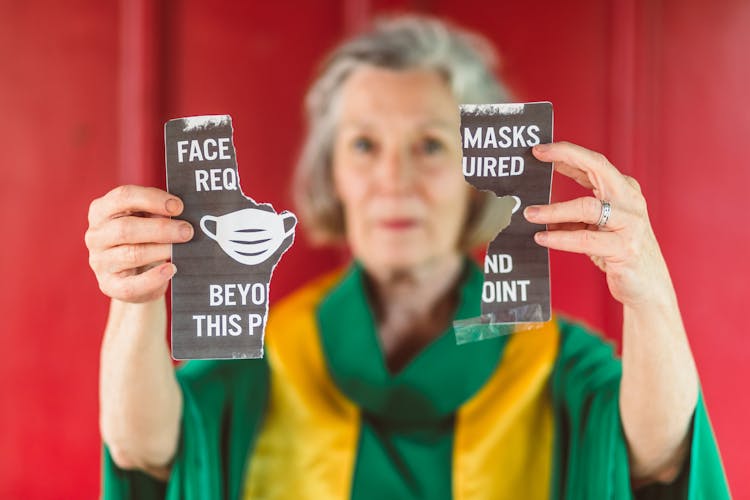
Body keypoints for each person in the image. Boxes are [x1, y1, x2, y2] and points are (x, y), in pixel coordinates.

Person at [85, 15, 729, 499]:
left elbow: (660, 455)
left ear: (483, 171)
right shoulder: (267, 356)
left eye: (429, 146)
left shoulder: (557, 363)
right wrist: (134, 301)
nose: (393, 177)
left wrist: (650, 295)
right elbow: (145, 448)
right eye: (364, 145)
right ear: (330, 172)